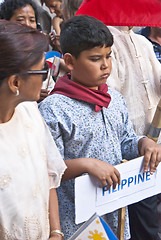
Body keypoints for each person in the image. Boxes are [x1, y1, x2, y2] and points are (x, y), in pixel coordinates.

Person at [39, 15, 161, 240]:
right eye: (95, 58)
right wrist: (86, 164)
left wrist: (142, 143)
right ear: (71, 61)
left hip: (116, 212)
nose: (105, 65)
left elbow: (124, 141)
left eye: (108, 56)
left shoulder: (113, 98)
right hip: (76, 221)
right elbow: (45, 171)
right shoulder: (53, 109)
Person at [0, 19, 66, 240]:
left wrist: (56, 232)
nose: (47, 76)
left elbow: (48, 177)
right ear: (15, 83)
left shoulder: (30, 111)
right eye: (42, 70)